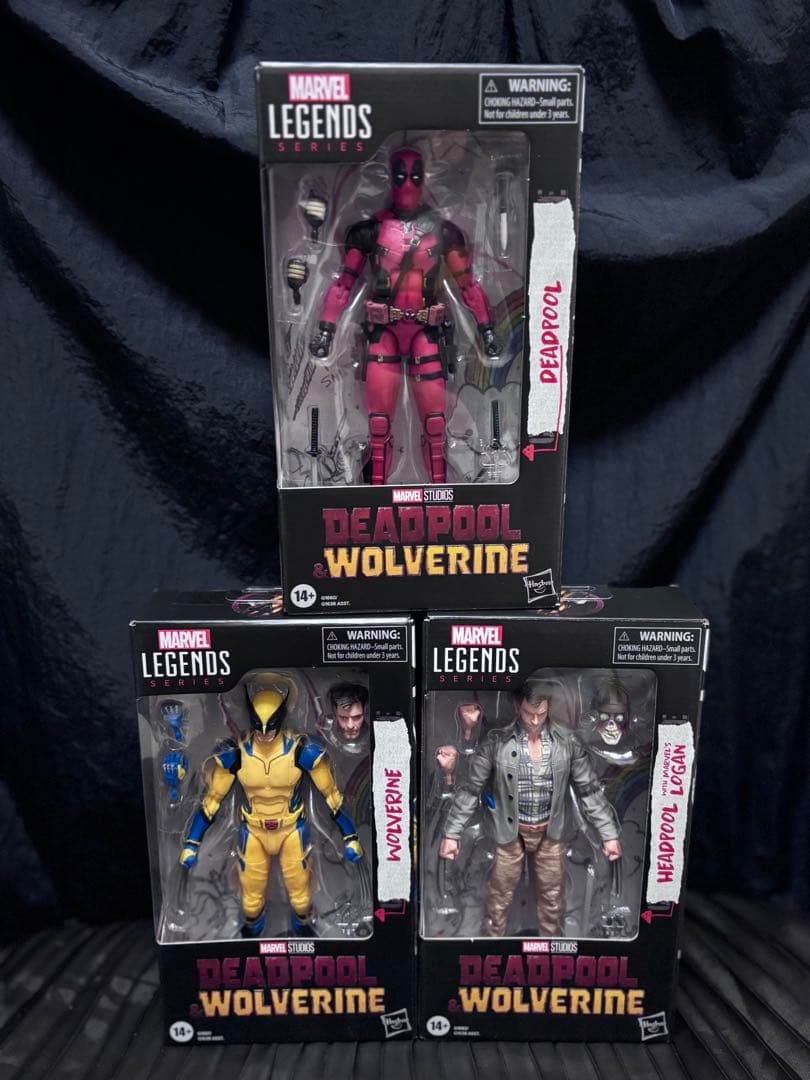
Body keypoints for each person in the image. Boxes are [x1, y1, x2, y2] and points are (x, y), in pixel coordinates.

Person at [439, 679, 621, 936]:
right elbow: (471, 789)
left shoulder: (566, 742)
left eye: (541, 713)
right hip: (508, 834)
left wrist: (609, 834)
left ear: (548, 708)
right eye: (528, 713)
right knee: (499, 898)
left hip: (551, 833)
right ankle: (490, 945)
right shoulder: (497, 742)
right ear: (517, 707)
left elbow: (589, 790)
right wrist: (451, 834)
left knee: (552, 900)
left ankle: (552, 950)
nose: (535, 720)